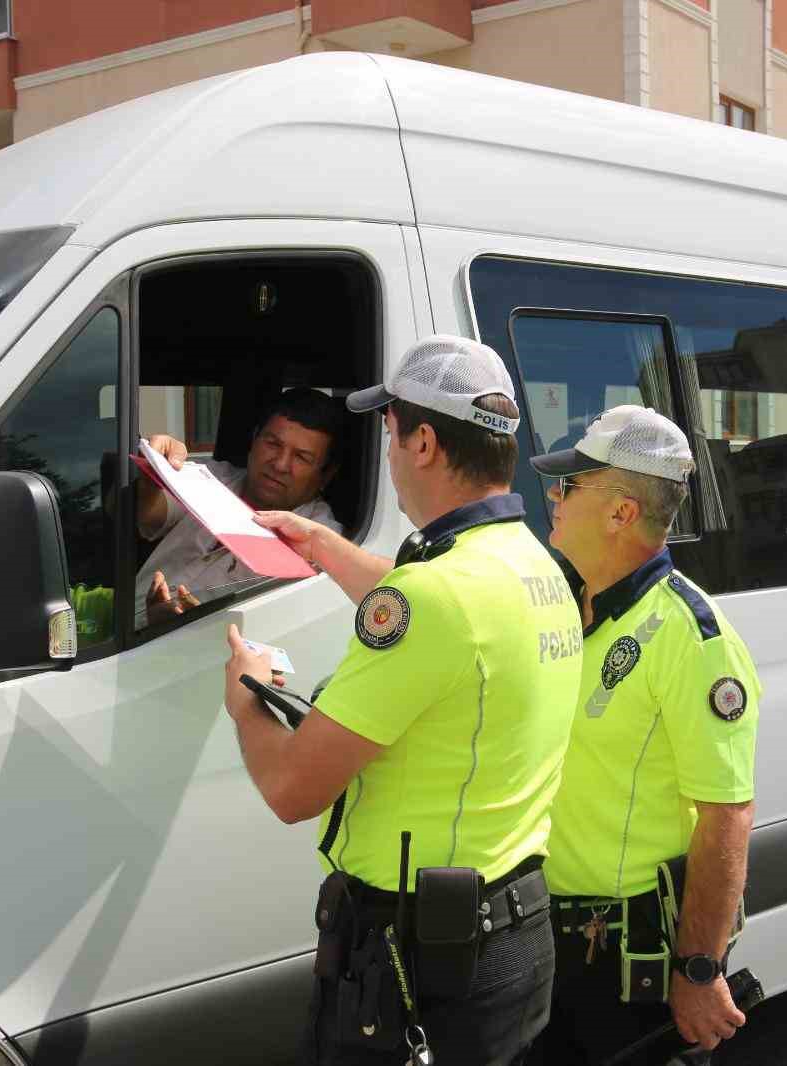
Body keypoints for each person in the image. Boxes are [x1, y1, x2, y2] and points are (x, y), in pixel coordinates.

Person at [221, 335, 584, 1066]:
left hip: (418, 961)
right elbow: (437, 609)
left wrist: (245, 704)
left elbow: (294, 790)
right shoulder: (532, 565)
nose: (385, 454)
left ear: (422, 441)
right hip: (512, 935)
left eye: (388, 434)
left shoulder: (434, 599)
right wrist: (320, 545)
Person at [527, 405, 761, 1066]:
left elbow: (727, 815)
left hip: (628, 963)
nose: (555, 498)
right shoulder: (573, 609)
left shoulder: (690, 635)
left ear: (621, 512)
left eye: (569, 486)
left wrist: (699, 969)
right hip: (550, 943)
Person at [135, 387, 345, 626]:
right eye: (273, 444)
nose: (280, 464)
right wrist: (153, 470)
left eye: (301, 457)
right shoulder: (211, 477)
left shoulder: (320, 542)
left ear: (326, 475)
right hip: (119, 629)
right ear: (254, 440)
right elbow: (151, 517)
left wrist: (194, 626)